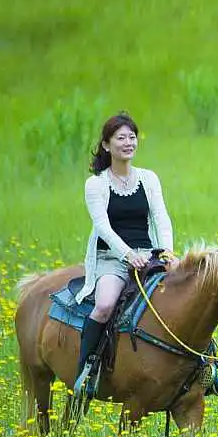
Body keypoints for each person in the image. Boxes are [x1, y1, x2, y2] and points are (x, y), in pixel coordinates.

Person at [72, 112, 174, 398]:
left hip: (150, 256)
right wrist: (128, 255)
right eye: (121, 138)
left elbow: (161, 217)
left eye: (132, 137)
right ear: (106, 145)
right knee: (104, 305)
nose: (128, 143)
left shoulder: (149, 178)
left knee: (189, 294)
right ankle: (86, 370)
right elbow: (101, 226)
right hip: (112, 260)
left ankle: (205, 368)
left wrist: (166, 251)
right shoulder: (97, 184)